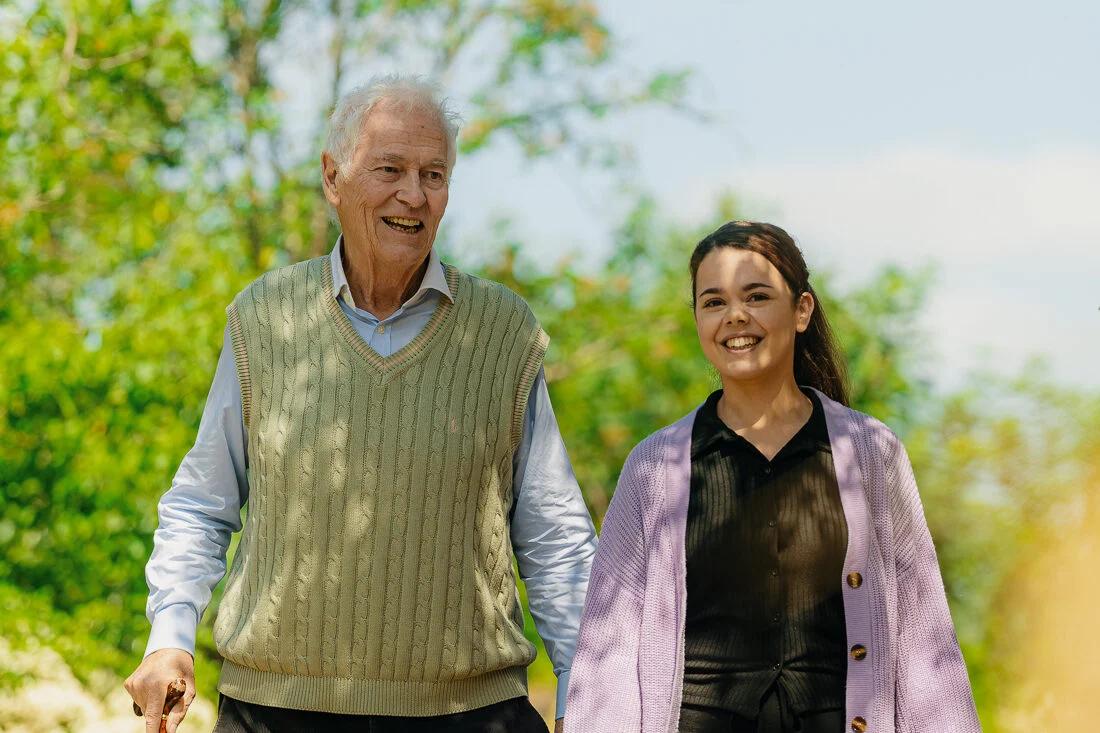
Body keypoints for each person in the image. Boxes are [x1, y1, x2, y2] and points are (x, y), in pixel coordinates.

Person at [124, 74, 595, 733]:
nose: (414, 194)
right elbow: (203, 504)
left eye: (434, 174)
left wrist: (588, 694)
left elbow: (554, 535)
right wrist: (168, 635)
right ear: (332, 177)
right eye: (390, 168)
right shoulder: (266, 319)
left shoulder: (503, 332)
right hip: (277, 711)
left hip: (471, 715)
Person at [564, 221, 981, 733]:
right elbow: (609, 653)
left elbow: (925, 642)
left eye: (756, 296)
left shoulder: (872, 454)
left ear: (801, 309)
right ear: (697, 318)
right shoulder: (653, 467)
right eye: (713, 302)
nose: (734, 316)